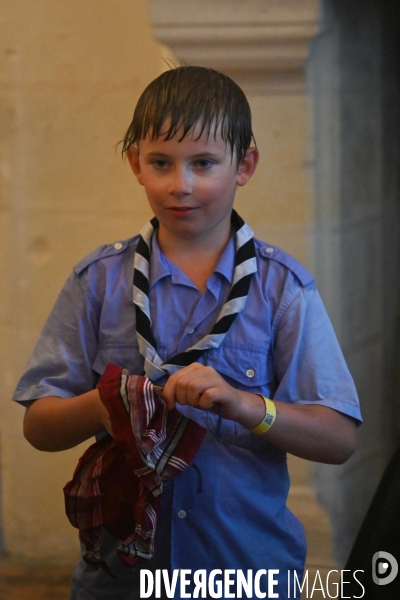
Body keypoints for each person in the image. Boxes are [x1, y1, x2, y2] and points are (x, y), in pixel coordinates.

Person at [14, 66, 361, 599]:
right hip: (122, 579)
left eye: (204, 163)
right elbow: (38, 427)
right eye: (161, 163)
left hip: (246, 572)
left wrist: (249, 407)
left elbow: (339, 438)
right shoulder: (99, 281)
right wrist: (107, 404)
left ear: (244, 165)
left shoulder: (283, 288)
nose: (181, 185)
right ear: (136, 165)